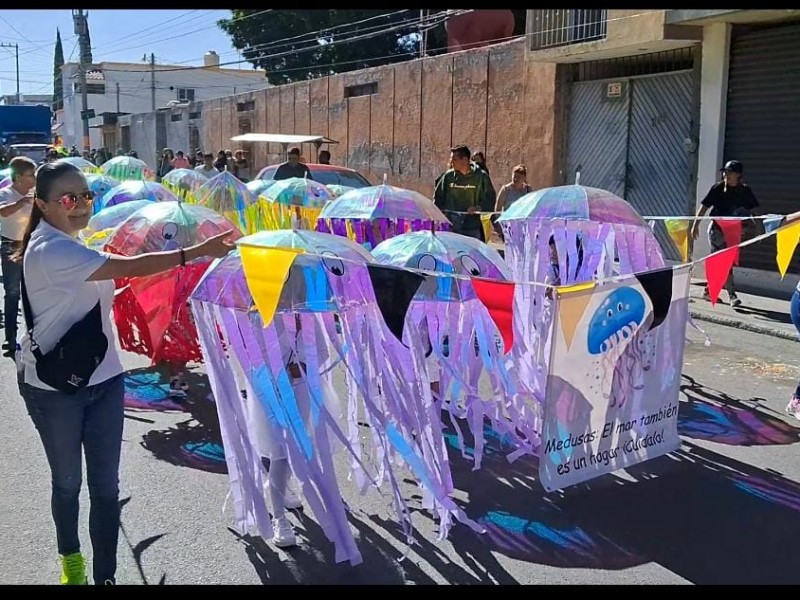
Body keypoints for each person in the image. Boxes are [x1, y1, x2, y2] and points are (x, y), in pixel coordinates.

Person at [14, 161, 234, 585]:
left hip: (105, 382)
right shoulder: (51, 248)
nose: (79, 205)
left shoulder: (75, 243)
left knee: (106, 489)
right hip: (55, 390)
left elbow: (113, 275)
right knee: (67, 483)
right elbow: (128, 268)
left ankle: (105, 576)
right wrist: (195, 253)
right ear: (42, 204)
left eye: (85, 195)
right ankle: (72, 562)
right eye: (67, 198)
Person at [691, 160, 760, 308]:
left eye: (729, 172)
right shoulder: (717, 188)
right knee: (725, 260)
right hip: (717, 230)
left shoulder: (745, 191)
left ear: (738, 175)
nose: (725, 175)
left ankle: (709, 291)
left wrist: (759, 230)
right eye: (725, 172)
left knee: (721, 261)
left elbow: (755, 211)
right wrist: (695, 225)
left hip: (734, 231)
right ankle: (732, 295)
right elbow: (704, 207)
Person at [0, 157, 36, 358]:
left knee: (33, 292)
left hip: (31, 246)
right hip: (10, 247)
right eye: (31, 174)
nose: (34, 178)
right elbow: (2, 212)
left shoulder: (36, 195)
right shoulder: (5, 194)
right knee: (13, 292)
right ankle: (10, 337)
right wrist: (20, 203)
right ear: (20, 176)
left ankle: (34, 336)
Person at [433, 144, 496, 241]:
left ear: (465, 160)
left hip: (472, 228)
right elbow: (438, 198)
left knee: (471, 254)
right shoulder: (448, 177)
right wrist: (438, 215)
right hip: (451, 227)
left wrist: (478, 208)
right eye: (451, 159)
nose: (452, 162)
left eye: (455, 159)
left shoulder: (481, 177)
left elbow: (490, 198)